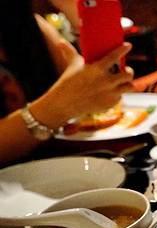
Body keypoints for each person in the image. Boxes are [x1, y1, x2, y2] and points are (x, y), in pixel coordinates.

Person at [0, 0, 134, 165]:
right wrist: (59, 107)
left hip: (66, 164)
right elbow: (70, 97)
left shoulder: (28, 23)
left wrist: (73, 11)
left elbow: (82, 88)